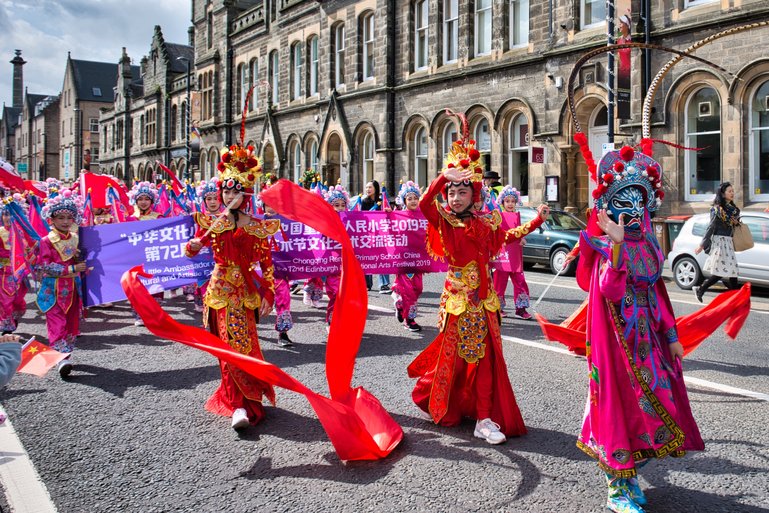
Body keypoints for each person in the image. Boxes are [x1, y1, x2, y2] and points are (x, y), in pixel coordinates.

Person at [574, 142, 703, 513]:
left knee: (656, 406)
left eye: (638, 203)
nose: (631, 212)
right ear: (609, 207)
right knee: (620, 409)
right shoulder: (602, 247)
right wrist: (614, 248)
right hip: (616, 345)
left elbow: (657, 295)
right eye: (623, 203)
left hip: (650, 342)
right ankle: (618, 486)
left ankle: (631, 476)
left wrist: (673, 336)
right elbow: (609, 290)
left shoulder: (648, 244)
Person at [407, 123, 549, 444]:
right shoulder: (446, 221)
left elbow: (508, 236)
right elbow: (428, 203)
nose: (455, 198)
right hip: (458, 302)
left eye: (462, 191)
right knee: (453, 359)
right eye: (452, 193)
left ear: (475, 195)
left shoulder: (487, 223)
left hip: (485, 303)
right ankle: (444, 401)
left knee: (487, 360)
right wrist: (445, 177)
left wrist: (537, 221)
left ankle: (484, 418)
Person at [185, 144, 280, 431]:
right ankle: (237, 403)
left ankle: (249, 398)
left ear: (245, 195)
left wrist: (269, 293)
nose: (229, 196)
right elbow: (192, 251)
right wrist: (192, 246)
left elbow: (267, 264)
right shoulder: (214, 223)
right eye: (225, 192)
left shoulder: (256, 226)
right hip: (219, 292)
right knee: (228, 347)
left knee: (246, 346)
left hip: (245, 293)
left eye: (235, 192)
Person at [36, 190, 87, 378]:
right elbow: (45, 266)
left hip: (73, 289)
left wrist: (83, 266)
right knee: (57, 324)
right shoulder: (46, 241)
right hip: (53, 290)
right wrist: (72, 269)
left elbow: (79, 260)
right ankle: (61, 359)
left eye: (69, 218)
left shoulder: (75, 238)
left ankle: (66, 355)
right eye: (60, 218)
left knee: (72, 324)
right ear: (52, 220)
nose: (65, 222)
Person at [694, 182, 741, 302]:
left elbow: (736, 226)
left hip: (728, 242)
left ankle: (732, 299)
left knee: (732, 271)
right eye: (729, 191)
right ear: (723, 194)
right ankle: (733, 299)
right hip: (719, 242)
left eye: (732, 191)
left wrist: (737, 223)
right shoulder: (716, 210)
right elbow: (711, 227)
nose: (732, 193)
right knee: (725, 271)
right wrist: (701, 245)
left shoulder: (735, 210)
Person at [492, 185, 534, 320]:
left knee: (520, 280)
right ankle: (498, 308)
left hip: (516, 253)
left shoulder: (517, 215)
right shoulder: (499, 216)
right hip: (503, 253)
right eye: (507, 201)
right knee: (500, 281)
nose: (510, 204)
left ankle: (521, 309)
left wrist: (521, 238)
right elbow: (497, 233)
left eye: (512, 201)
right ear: (502, 202)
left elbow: (519, 231)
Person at [391, 181, 424, 332]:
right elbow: (389, 231)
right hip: (403, 259)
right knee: (408, 290)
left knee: (417, 288)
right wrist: (387, 215)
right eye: (409, 198)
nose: (413, 201)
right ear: (404, 200)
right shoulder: (398, 216)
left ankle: (400, 304)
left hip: (418, 259)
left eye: (415, 198)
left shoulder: (423, 216)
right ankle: (409, 319)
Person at [1, 194, 30, 334]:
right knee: (5, 299)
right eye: (5, 214)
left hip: (20, 273)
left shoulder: (23, 233)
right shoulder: (0, 232)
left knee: (17, 299)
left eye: (11, 214)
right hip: (3, 273)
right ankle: (7, 327)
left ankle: (14, 316)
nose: (7, 218)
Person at [361, 180, 392, 293]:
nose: (368, 189)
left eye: (370, 187)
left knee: (383, 257)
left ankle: (383, 284)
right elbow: (361, 217)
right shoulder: (364, 201)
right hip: (369, 233)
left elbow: (389, 215)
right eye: (366, 187)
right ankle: (366, 283)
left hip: (381, 234)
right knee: (368, 258)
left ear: (375, 188)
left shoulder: (382, 200)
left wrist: (389, 211)